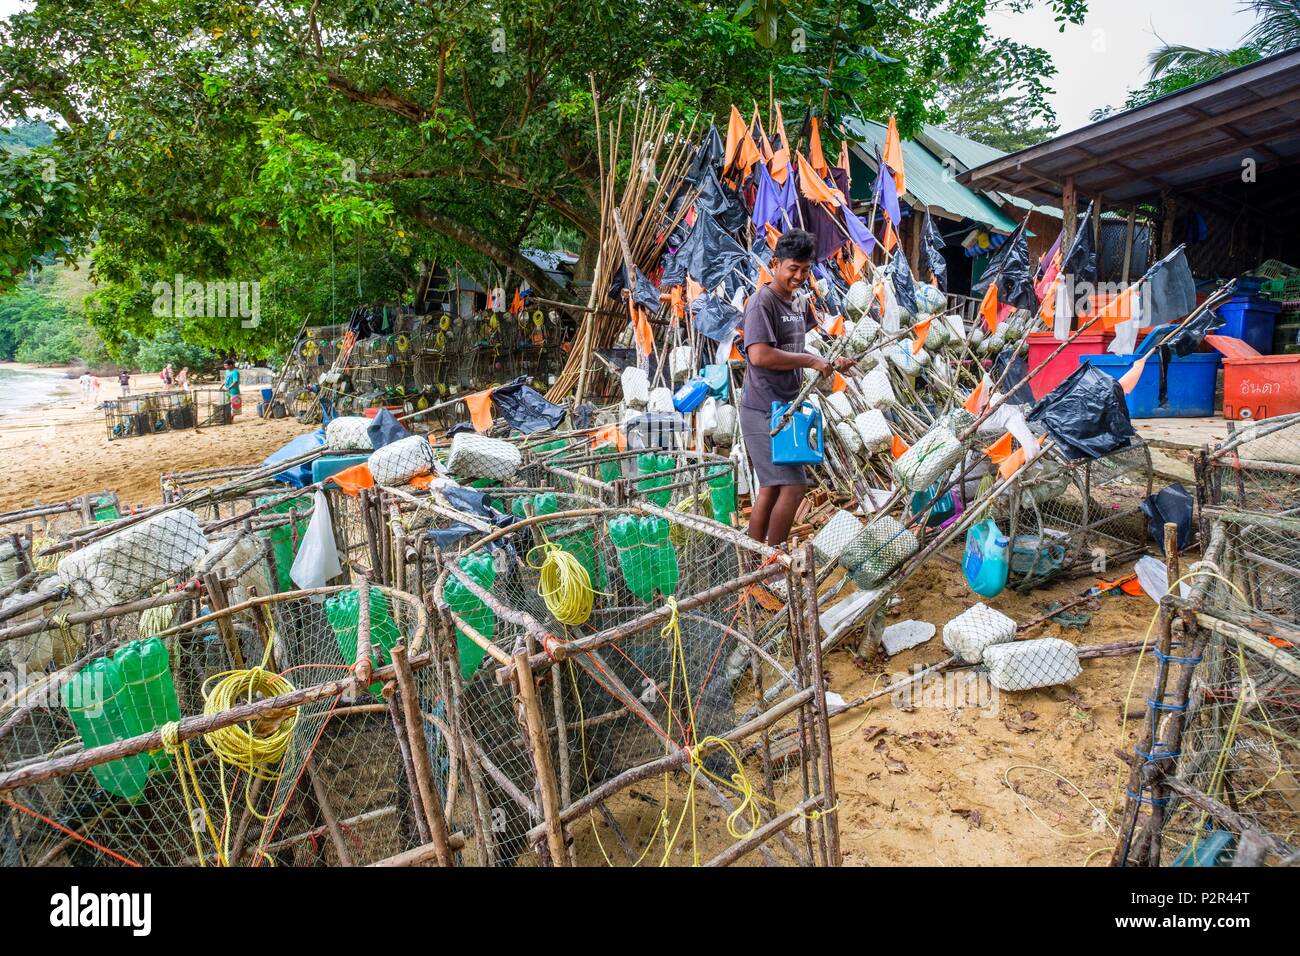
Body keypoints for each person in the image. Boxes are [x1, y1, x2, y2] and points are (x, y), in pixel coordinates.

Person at [739, 229, 853, 548]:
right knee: (792, 486)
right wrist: (810, 361)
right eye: (793, 269)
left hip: (787, 412)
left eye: (805, 270)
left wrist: (834, 358)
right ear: (775, 264)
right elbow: (759, 355)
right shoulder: (761, 303)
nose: (800, 276)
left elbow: (814, 342)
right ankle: (774, 561)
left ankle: (755, 560)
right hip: (761, 411)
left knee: (772, 488)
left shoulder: (799, 301)